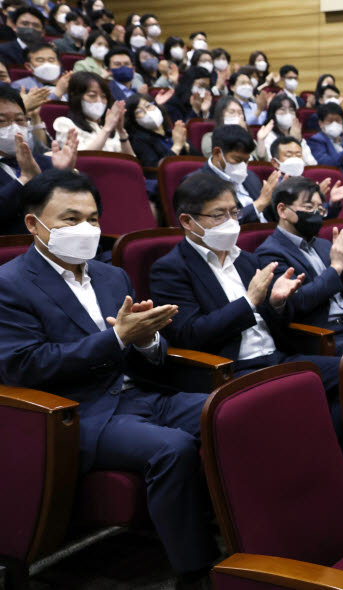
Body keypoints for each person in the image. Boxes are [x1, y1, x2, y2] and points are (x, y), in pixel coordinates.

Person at [0, 169, 218, 588]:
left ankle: (248, 537)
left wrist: (147, 340)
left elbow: (145, 350)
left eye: (93, 218)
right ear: (34, 224)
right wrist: (118, 338)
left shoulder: (109, 274)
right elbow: (27, 366)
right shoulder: (9, 284)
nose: (86, 229)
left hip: (142, 394)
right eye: (70, 218)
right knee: (171, 449)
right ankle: (195, 572)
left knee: (229, 414)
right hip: (79, 413)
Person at [148, 172, 343, 444]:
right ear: (187, 221)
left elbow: (277, 322)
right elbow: (189, 334)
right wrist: (249, 302)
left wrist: (277, 304)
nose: (230, 222)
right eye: (219, 215)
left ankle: (335, 455)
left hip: (276, 357)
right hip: (231, 369)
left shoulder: (246, 260)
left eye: (234, 212)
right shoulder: (170, 269)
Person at [255, 177, 343, 355]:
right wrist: (336, 267)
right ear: (283, 210)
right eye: (309, 208)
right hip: (319, 336)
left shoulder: (323, 245)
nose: (316, 214)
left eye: (320, 209)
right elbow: (297, 302)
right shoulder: (270, 253)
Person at [0, 84, 78, 235]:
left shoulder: (48, 163)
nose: (14, 127)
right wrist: (24, 180)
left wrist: (66, 175)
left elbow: (91, 210)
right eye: (2, 120)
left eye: (20, 119)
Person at [194, 124, 272, 224]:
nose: (243, 165)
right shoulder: (197, 183)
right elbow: (221, 221)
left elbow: (267, 214)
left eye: (246, 161)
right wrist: (259, 204)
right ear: (217, 153)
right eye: (237, 160)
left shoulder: (250, 176)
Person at [54, 72, 134, 155]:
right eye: (92, 96)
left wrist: (121, 132)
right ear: (75, 96)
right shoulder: (64, 123)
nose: (99, 101)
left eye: (103, 97)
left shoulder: (108, 126)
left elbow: (131, 162)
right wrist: (107, 129)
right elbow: (84, 159)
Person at [124, 93, 188, 167]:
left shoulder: (171, 133)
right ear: (134, 119)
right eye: (139, 111)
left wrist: (186, 145)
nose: (147, 112)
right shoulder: (139, 140)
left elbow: (199, 159)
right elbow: (154, 169)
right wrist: (176, 147)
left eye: (148, 106)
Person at [256, 94, 317, 165]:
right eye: (283, 110)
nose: (288, 114)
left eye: (291, 110)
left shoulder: (297, 134)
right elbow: (269, 161)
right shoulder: (268, 135)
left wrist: (298, 141)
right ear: (273, 113)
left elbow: (312, 163)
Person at [305, 101, 343, 178]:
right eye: (330, 121)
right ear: (321, 123)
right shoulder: (316, 141)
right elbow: (327, 164)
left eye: (338, 121)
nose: (334, 124)